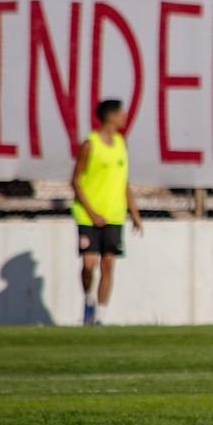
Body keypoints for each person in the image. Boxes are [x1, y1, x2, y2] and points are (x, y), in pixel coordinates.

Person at [71, 99, 143, 325]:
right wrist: (91, 213)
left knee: (108, 264)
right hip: (89, 215)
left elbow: (124, 182)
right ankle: (88, 298)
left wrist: (134, 212)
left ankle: (99, 317)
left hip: (114, 214)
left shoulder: (122, 143)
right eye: (121, 113)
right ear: (110, 116)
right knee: (89, 264)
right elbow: (75, 180)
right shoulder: (90, 144)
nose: (124, 116)